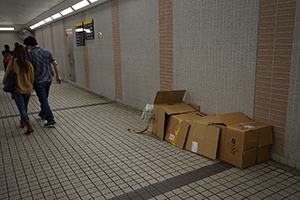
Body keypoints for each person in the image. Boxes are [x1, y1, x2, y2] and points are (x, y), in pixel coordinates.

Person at [23, 36, 62, 128]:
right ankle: (43, 114)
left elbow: (29, 69)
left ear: (29, 45)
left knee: (43, 99)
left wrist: (29, 83)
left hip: (38, 81)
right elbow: (55, 64)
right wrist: (58, 76)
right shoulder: (47, 51)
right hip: (48, 80)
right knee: (44, 98)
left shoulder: (30, 54)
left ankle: (50, 119)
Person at [2, 45, 35, 134]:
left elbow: (7, 74)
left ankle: (29, 126)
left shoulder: (12, 63)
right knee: (24, 106)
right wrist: (31, 87)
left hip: (17, 89)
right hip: (27, 89)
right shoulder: (29, 64)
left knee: (21, 108)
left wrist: (4, 82)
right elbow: (32, 77)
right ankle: (22, 121)